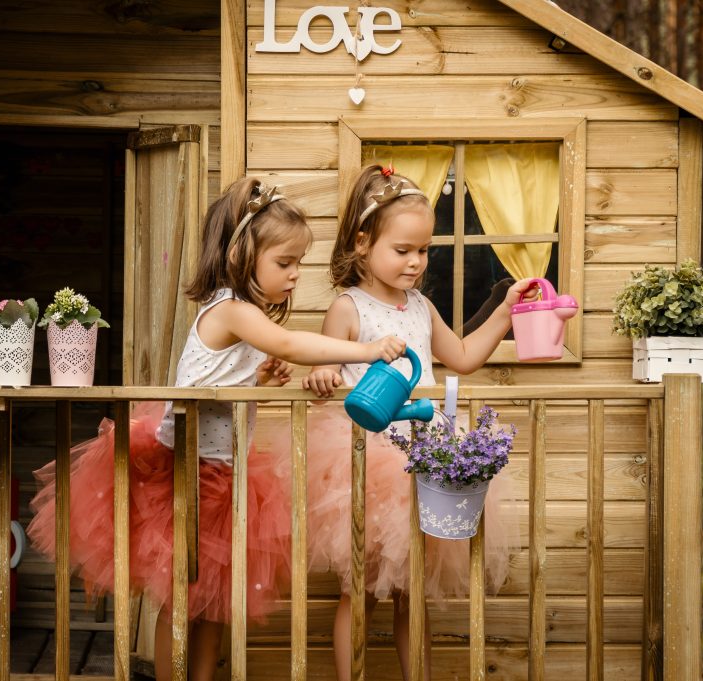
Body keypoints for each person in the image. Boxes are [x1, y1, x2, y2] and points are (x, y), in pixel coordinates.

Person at [27, 177, 406, 681]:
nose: (295, 276)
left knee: (213, 601)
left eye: (299, 263)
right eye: (285, 263)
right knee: (184, 596)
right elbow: (291, 346)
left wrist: (261, 379)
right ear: (242, 256)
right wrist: (366, 350)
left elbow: (235, 382)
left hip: (221, 474)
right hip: (184, 472)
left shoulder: (244, 316)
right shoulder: (231, 309)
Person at [301, 164, 535, 681]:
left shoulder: (423, 308)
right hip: (366, 465)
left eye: (423, 250)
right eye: (402, 250)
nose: (416, 261)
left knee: (412, 592)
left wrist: (505, 311)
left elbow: (465, 355)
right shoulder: (348, 308)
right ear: (363, 244)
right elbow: (325, 362)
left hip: (423, 461)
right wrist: (321, 373)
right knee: (358, 590)